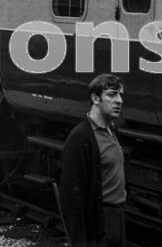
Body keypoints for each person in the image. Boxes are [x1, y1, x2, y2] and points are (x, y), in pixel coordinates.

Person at [59, 73, 127, 247]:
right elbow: (71, 198)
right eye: (112, 95)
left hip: (117, 216)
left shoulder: (113, 131)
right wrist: (79, 242)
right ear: (95, 98)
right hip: (99, 218)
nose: (119, 100)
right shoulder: (80, 138)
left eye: (120, 95)